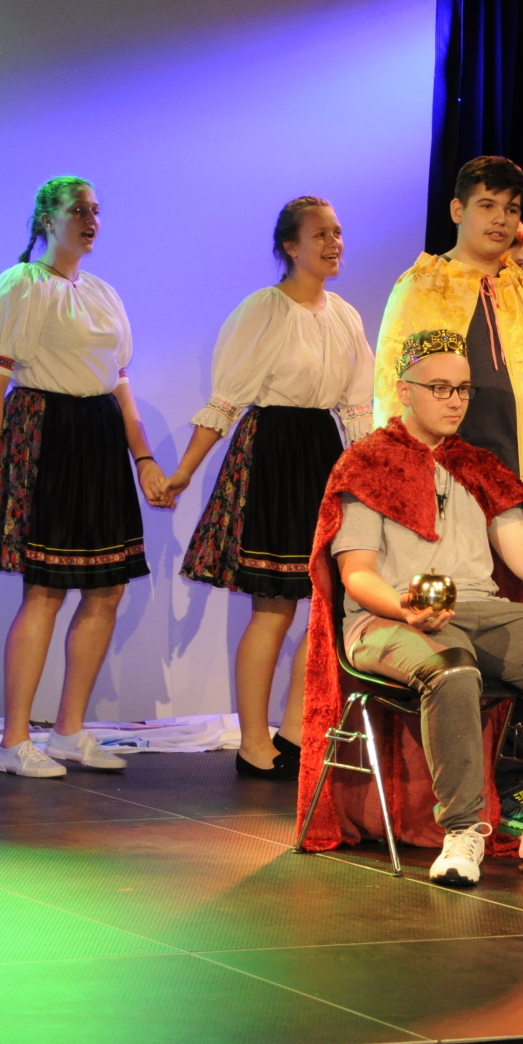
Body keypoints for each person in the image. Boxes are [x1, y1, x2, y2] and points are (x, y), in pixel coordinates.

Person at [306, 328, 523, 887]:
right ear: (405, 392)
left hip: (479, 610)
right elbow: (356, 576)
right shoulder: (366, 464)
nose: (454, 400)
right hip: (385, 617)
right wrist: (405, 608)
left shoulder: (480, 467)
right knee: (452, 670)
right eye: (439, 388)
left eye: (462, 389)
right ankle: (462, 831)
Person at [0, 176, 166, 777]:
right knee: (44, 588)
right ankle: (13, 742)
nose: (90, 220)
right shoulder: (23, 284)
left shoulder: (101, 293)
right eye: (77, 210)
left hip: (99, 435)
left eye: (96, 210)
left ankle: (69, 731)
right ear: (47, 219)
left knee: (106, 587)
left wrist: (144, 457)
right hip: (47, 431)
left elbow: (119, 383)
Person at [163, 196, 374, 778]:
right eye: (320, 234)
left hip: (322, 452)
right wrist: (183, 471)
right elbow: (227, 400)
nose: (333, 244)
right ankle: (253, 743)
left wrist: (371, 479)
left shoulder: (344, 315)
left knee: (327, 604)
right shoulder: (264, 309)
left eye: (337, 233)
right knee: (275, 607)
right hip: (273, 452)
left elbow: (358, 408)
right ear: (290, 246)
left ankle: (296, 730)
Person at [372, 157, 523, 633]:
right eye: (488, 205)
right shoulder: (422, 285)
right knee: (446, 610)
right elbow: (392, 390)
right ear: (458, 210)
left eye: (511, 209)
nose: (501, 219)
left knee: (517, 606)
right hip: (445, 472)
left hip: (516, 472)